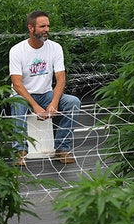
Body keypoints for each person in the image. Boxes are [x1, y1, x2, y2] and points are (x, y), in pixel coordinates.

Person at [9, 10, 81, 165]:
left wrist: (54, 103)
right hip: (24, 96)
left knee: (72, 102)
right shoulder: (17, 50)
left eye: (48, 26)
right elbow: (17, 84)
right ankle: (20, 151)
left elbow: (61, 79)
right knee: (17, 103)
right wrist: (35, 106)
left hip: (46, 93)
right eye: (42, 26)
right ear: (31, 28)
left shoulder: (55, 48)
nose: (46, 29)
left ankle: (62, 149)